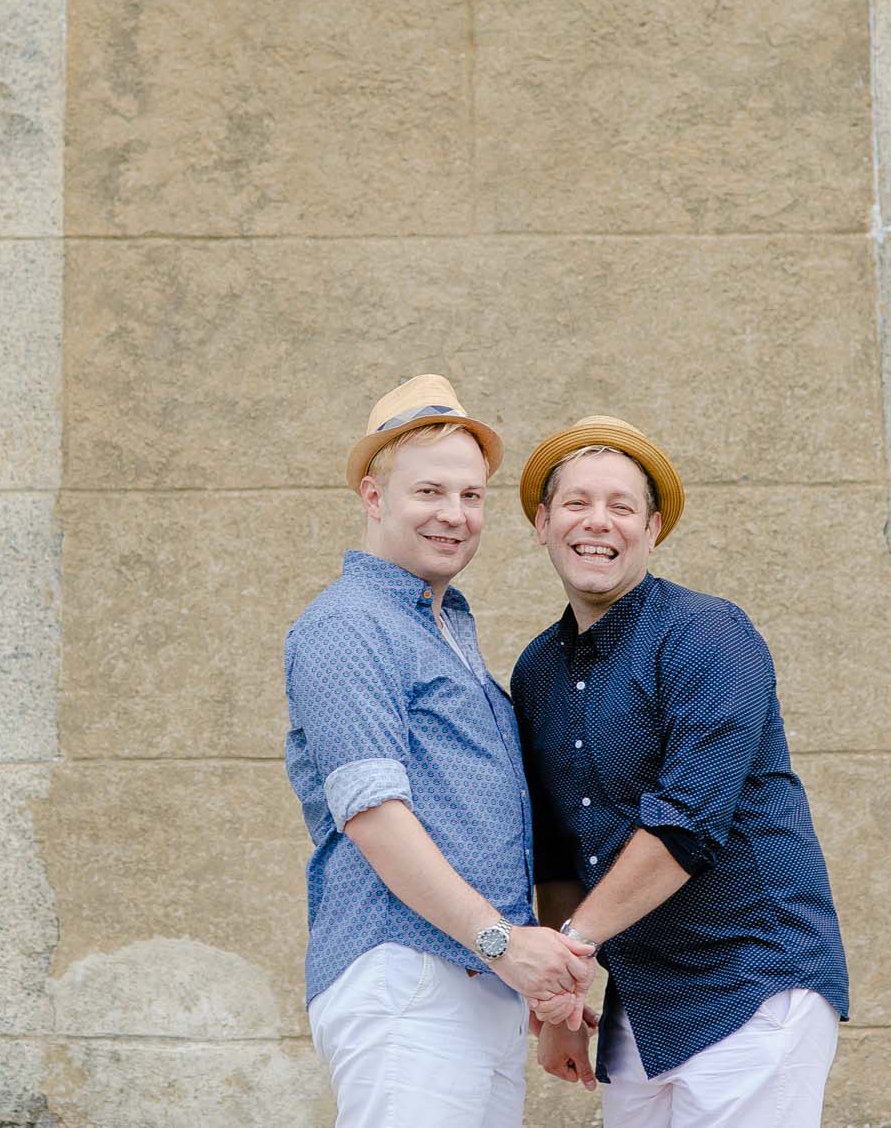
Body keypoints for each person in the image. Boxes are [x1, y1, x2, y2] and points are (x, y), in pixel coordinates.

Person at [511, 415, 850, 1126]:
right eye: (575, 503)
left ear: (653, 527)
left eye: (621, 506)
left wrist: (564, 954)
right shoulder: (537, 670)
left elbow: (686, 823)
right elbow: (555, 850)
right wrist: (564, 1003)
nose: (596, 522)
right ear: (543, 522)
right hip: (647, 1002)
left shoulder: (707, 632)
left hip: (753, 984)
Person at [284, 375, 596, 1128]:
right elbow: (375, 818)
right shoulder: (348, 625)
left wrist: (529, 970)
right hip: (409, 982)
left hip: (474, 984)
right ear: (372, 494)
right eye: (430, 491)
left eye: (472, 496)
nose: (454, 515)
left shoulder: (445, 624)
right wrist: (502, 943)